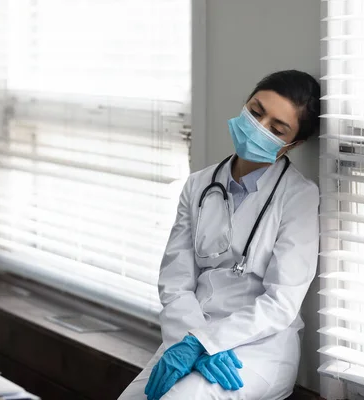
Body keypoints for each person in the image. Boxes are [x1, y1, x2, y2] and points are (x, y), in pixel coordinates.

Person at [118, 70, 320, 400]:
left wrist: (209, 342)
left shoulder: (299, 196)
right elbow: (176, 281)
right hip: (189, 333)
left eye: (277, 128)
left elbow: (281, 302)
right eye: (256, 112)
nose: (259, 127)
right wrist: (194, 340)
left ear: (292, 144)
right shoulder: (198, 185)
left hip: (258, 348)